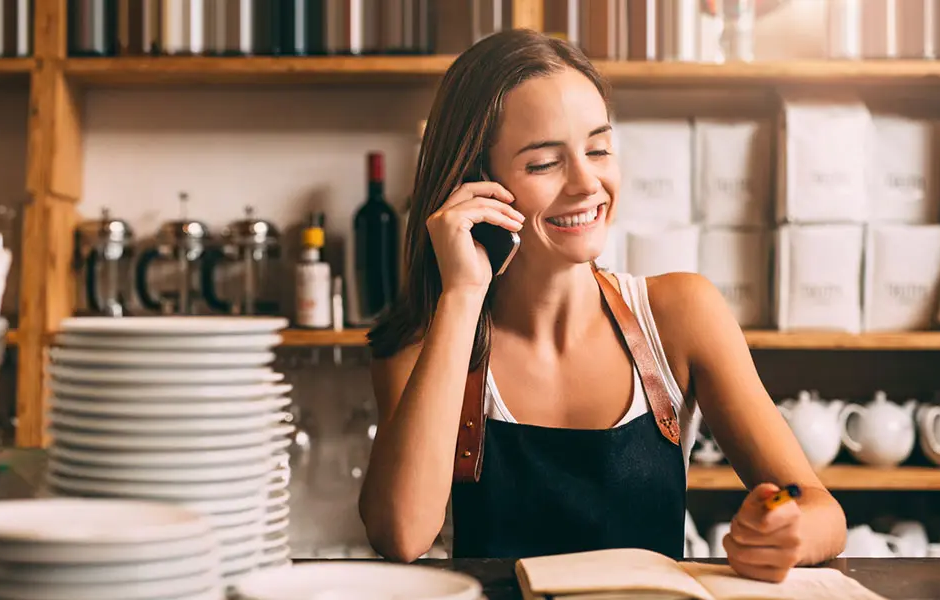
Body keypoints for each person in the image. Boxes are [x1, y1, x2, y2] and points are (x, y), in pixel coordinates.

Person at [357, 29, 847, 582]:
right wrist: (464, 293)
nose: (587, 183)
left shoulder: (680, 314)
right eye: (543, 163)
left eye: (598, 148)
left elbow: (822, 511)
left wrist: (787, 532)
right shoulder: (425, 345)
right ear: (478, 184)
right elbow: (400, 534)